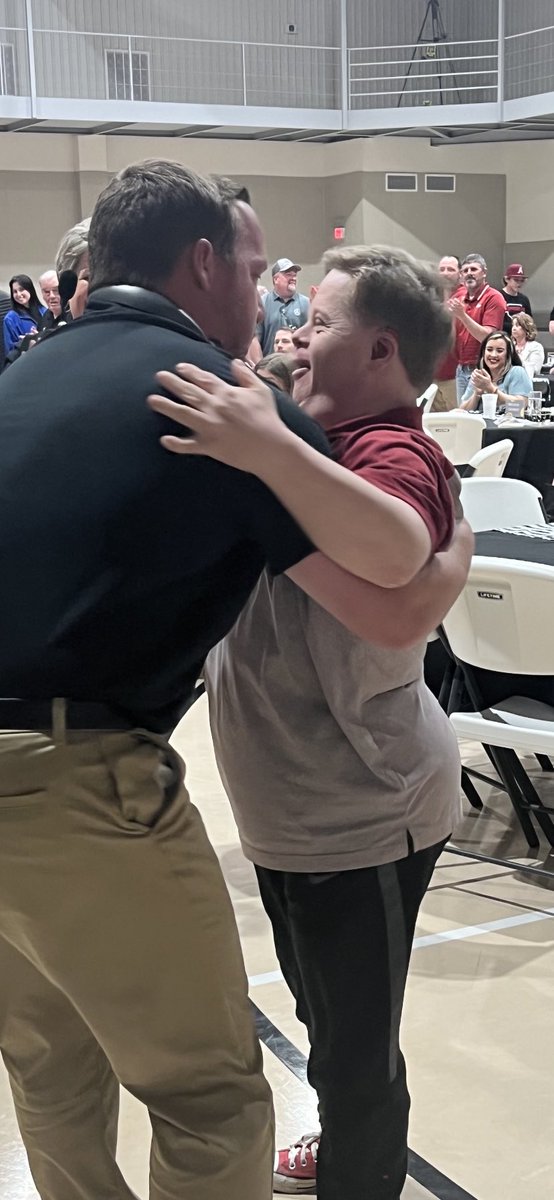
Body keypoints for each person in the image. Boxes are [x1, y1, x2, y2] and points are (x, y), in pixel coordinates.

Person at [0, 162, 429, 1200]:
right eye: (253, 269)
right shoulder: (221, 403)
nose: (272, 308)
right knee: (210, 1100)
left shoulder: (23, 378)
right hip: (80, 782)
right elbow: (394, 574)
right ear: (202, 263)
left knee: (51, 1065)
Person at [147, 245, 474, 1200]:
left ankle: (359, 1169)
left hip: (368, 814)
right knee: (325, 1015)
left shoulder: (391, 450)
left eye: (320, 325)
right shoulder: (308, 442)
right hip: (292, 812)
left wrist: (264, 449)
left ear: (380, 352)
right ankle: (341, 1138)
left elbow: (393, 546)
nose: (295, 334)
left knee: (357, 1048)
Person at [448, 253, 506, 403]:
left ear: (484, 272)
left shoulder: (493, 297)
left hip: (482, 368)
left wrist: (462, 315)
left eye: (473, 269)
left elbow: (487, 337)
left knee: (471, 414)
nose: (469, 274)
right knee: (463, 416)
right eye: (465, 271)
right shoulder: (461, 301)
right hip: (461, 367)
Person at [460, 329, 532, 411]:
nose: (493, 355)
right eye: (489, 350)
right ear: (483, 353)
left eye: (499, 351)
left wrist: (490, 388)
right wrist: (477, 394)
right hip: (481, 423)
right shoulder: (480, 376)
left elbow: (521, 406)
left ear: (508, 354)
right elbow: (462, 411)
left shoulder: (517, 372)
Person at [256, 257, 310, 355]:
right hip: (270, 365)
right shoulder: (262, 303)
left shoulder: (306, 304)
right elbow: (256, 340)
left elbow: (309, 339)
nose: (293, 278)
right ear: (276, 279)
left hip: (295, 366)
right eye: (288, 274)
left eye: (295, 275)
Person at [433, 254, 462, 411]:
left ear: (460, 273)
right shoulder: (432, 296)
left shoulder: (465, 297)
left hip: (455, 375)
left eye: (450, 269)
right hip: (433, 374)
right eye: (442, 269)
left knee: (455, 425)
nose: (445, 273)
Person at [2, 274, 46, 357]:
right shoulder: (10, 319)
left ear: (30, 290)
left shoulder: (45, 311)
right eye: (15, 291)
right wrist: (25, 343)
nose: (18, 294)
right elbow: (10, 352)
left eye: (21, 289)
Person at [511, 313, 545, 379]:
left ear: (526, 328)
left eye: (517, 325)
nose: (513, 328)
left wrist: (517, 358)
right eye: (513, 325)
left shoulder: (536, 347)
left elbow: (535, 369)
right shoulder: (509, 345)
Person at [500, 263, 532, 330]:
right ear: (507, 279)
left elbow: (529, 322)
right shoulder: (498, 296)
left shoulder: (524, 299)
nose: (519, 283)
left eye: (522, 280)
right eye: (516, 280)